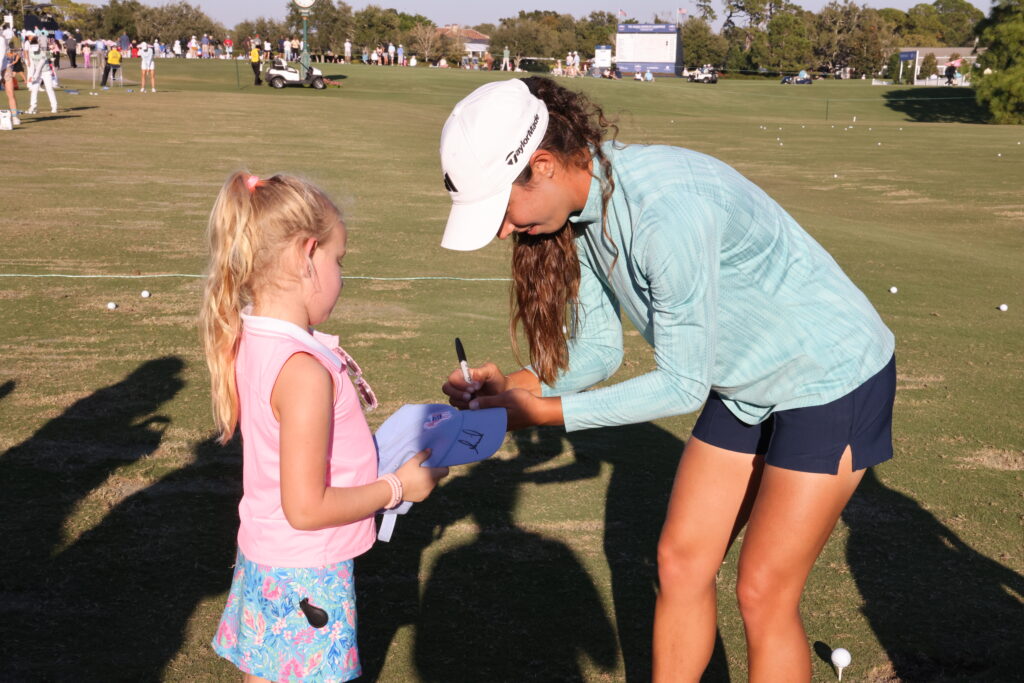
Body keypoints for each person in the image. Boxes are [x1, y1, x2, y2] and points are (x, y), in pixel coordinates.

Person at [437, 78, 896, 682]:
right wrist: (520, 385)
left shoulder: (662, 211)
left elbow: (681, 386)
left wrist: (544, 415)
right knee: (680, 563)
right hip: (741, 383)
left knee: (762, 593)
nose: (501, 232)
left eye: (500, 210)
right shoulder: (579, 216)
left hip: (829, 378)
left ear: (542, 166)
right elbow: (598, 353)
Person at [202, 172, 449, 682]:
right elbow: (307, 508)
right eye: (338, 261)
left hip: (272, 561)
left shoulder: (255, 339)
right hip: (304, 572)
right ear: (305, 254)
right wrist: (399, 487)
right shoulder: (302, 371)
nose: (340, 274)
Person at [26, 33, 58, 114]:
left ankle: (54, 107)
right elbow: (33, 65)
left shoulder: (44, 52)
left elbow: (41, 65)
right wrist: (31, 76)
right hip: (37, 73)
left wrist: (51, 53)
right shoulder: (31, 52)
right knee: (34, 89)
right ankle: (33, 106)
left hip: (46, 72)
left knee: (49, 89)